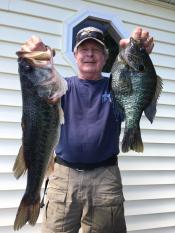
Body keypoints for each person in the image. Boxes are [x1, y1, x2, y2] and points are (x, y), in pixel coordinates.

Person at [21, 26, 154, 233]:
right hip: (62, 176)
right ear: (75, 55)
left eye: (97, 49)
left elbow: (141, 91)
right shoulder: (60, 87)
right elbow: (37, 84)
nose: (90, 54)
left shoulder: (117, 86)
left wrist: (140, 55)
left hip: (105, 178)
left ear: (105, 56)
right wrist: (37, 54)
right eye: (84, 49)